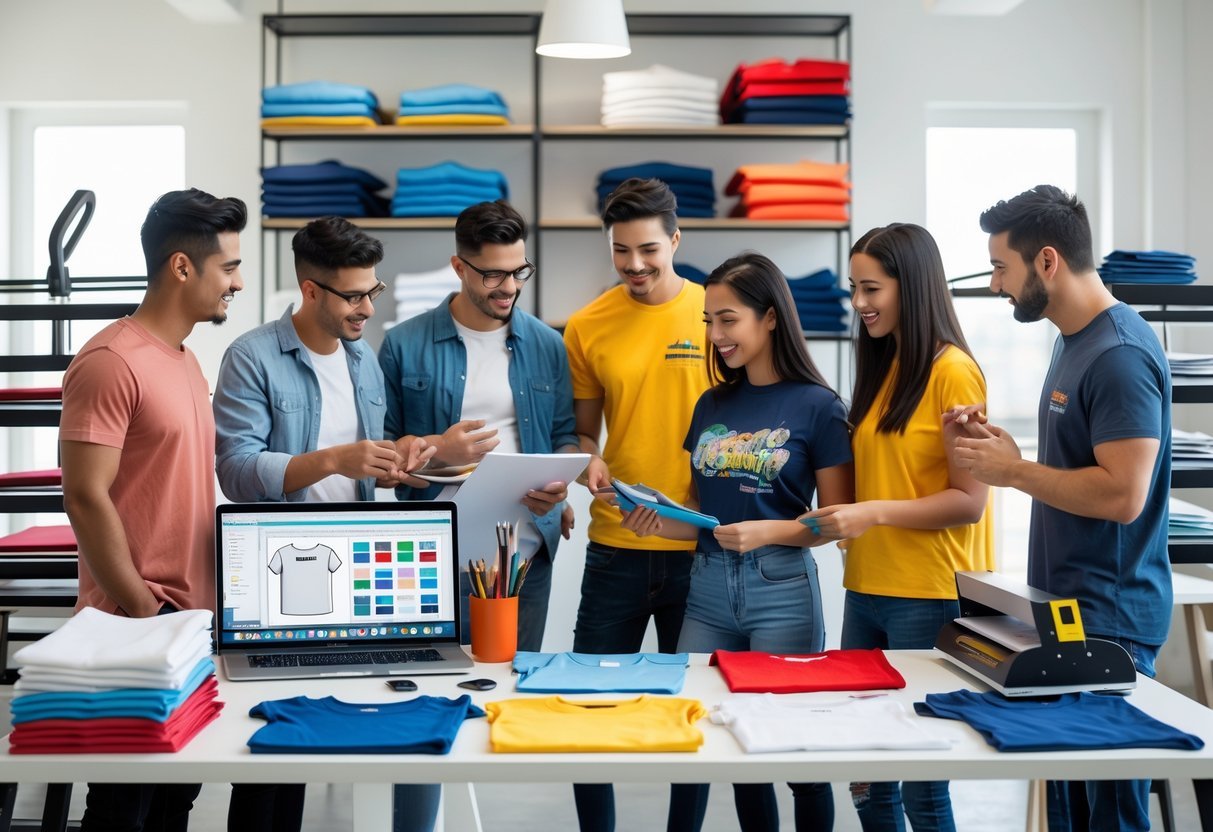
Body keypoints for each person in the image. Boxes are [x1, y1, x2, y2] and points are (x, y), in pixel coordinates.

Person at [949, 185, 1172, 832]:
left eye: (1000, 267)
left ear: (1046, 261)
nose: (995, 285)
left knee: (1108, 813)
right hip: (1067, 609)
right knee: (1070, 808)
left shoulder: (1119, 355)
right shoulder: (1070, 340)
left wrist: (1012, 473)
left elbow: (1121, 496)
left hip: (1112, 620)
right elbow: (1080, 469)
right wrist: (1007, 454)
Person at [212, 216, 433, 832]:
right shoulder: (250, 357)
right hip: (274, 576)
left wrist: (389, 464)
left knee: (341, 724)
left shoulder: (363, 360)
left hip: (354, 569)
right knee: (269, 745)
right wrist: (336, 457)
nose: (367, 307)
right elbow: (235, 469)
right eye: (353, 295)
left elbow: (362, 460)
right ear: (310, 290)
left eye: (373, 290)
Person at [620, 252, 854, 832]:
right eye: (708, 321)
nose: (715, 335)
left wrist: (769, 531)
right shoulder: (712, 404)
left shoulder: (819, 407)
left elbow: (839, 518)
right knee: (696, 737)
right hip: (706, 588)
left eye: (728, 320)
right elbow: (701, 511)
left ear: (770, 318)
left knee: (794, 753)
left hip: (782, 588)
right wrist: (653, 516)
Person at [59, 188, 247, 832]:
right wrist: (142, 608)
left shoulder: (189, 361)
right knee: (122, 807)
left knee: (175, 802)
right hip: (134, 625)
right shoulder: (111, 361)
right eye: (229, 267)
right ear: (182, 267)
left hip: (191, 623)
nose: (238, 282)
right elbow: (83, 493)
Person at [801, 223, 991, 832]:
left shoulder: (953, 371)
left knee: (920, 780)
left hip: (927, 593)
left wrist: (871, 512)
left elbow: (969, 501)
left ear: (912, 285)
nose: (859, 304)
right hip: (868, 587)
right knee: (869, 773)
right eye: (855, 288)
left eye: (871, 288)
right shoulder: (885, 365)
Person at [562, 177, 711, 832]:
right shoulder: (588, 324)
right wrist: (583, 458)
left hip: (697, 551)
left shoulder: (716, 313)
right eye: (620, 251)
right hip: (615, 549)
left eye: (648, 249)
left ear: (675, 240)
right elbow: (582, 431)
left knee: (691, 708)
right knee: (585, 705)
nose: (635, 265)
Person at [378, 199, 579, 655]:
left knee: (515, 680)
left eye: (518, 272)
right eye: (493, 275)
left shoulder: (548, 344)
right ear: (459, 267)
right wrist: (438, 449)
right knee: (436, 680)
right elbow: (380, 455)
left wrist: (560, 483)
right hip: (433, 556)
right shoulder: (403, 344)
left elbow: (564, 434)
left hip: (527, 551)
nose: (508, 287)